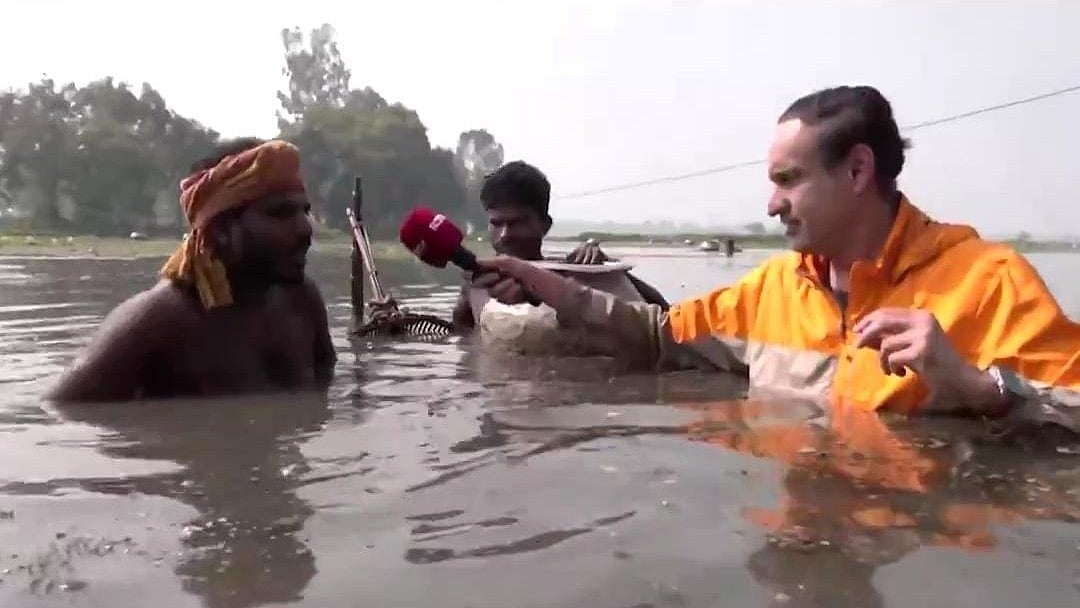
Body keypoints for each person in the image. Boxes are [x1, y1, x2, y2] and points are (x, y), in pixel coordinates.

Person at [470, 86, 1080, 428]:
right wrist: (543, 283)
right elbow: (661, 336)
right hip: (803, 521)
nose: (770, 205)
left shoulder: (990, 283)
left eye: (788, 181)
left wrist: (982, 388)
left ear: (858, 169)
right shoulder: (772, 289)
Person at [47, 137, 336, 402]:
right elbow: (66, 412)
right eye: (280, 213)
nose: (305, 228)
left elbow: (327, 387)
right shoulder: (155, 321)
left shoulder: (301, 300)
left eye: (304, 211)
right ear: (219, 230)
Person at [452, 160, 668, 330]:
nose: (505, 234)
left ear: (544, 226)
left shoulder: (573, 275)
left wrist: (608, 271)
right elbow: (465, 345)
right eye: (496, 223)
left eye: (517, 223)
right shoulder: (478, 285)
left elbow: (662, 316)